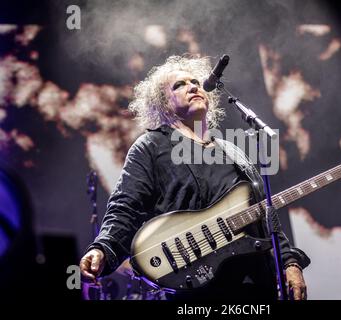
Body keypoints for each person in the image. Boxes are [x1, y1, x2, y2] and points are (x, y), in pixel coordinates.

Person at [79, 55, 310, 300]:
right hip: (195, 290)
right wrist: (103, 247)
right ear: (163, 104)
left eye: (196, 82)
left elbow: (266, 216)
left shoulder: (232, 153)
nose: (193, 87)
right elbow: (125, 207)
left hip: (254, 284)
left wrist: (290, 263)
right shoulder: (151, 146)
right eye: (179, 85)